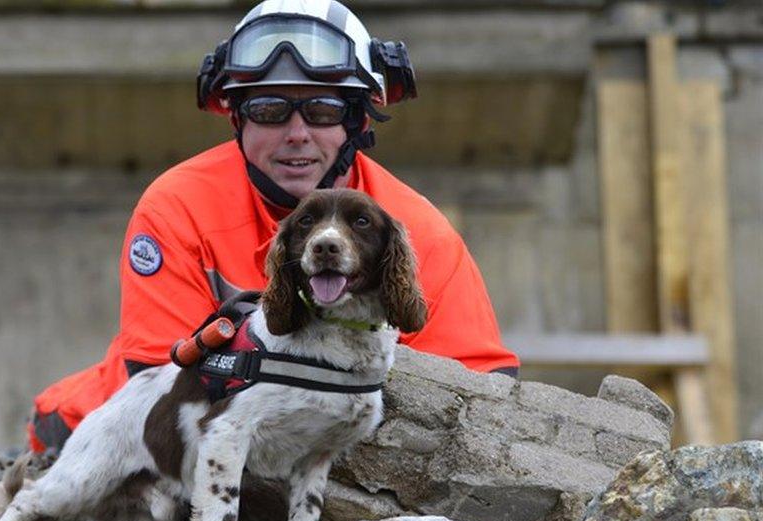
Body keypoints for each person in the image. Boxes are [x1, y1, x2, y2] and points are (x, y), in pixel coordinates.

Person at [28, 0, 519, 453]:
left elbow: (483, 393)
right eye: (269, 111)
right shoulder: (178, 206)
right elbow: (163, 382)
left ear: (357, 121)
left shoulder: (417, 232)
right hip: (102, 434)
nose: (297, 134)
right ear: (236, 119)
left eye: (323, 111)